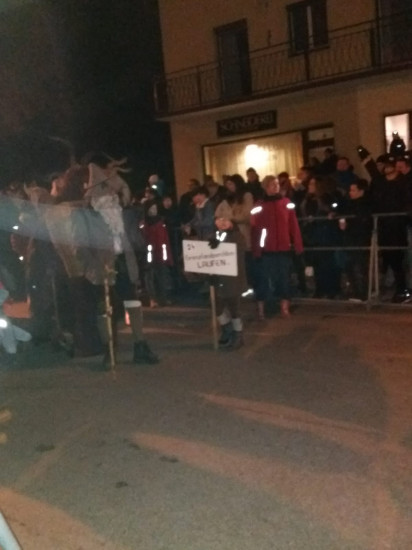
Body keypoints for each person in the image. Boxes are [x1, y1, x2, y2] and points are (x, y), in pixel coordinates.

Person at [251, 175, 303, 319]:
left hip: (283, 248)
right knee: (263, 279)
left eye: (277, 184)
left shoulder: (286, 203)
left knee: (284, 279)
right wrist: (256, 249)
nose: (276, 187)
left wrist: (297, 244)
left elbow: (293, 224)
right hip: (266, 249)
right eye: (272, 184)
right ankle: (261, 309)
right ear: (266, 187)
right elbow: (254, 229)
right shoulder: (259, 205)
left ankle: (284, 307)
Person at [300, 175, 342, 299]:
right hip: (312, 234)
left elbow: (333, 209)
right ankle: (320, 288)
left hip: (324, 234)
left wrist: (329, 214)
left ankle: (331, 289)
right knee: (317, 264)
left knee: (328, 263)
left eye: (312, 184)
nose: (310, 186)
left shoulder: (326, 198)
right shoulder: (307, 199)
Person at [208, 217, 247, 350]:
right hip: (218, 277)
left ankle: (238, 334)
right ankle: (227, 329)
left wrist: (219, 247)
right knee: (216, 305)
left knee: (234, 307)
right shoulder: (214, 235)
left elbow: (234, 253)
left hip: (232, 278)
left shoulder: (237, 236)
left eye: (226, 220)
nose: (222, 223)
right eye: (219, 220)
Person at [215, 174, 254, 291]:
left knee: (244, 262)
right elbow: (217, 213)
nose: (229, 187)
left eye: (231, 184)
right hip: (228, 235)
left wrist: (231, 219)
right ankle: (236, 288)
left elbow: (247, 215)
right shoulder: (226, 199)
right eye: (227, 185)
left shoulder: (246, 196)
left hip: (242, 232)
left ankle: (246, 287)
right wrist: (221, 221)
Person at [339, 180, 373, 301]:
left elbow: (363, 221)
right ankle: (355, 290)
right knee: (350, 265)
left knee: (361, 266)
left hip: (361, 238)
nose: (350, 192)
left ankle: (363, 292)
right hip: (351, 238)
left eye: (353, 190)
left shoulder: (366, 204)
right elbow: (342, 214)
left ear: (361, 191)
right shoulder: (349, 204)